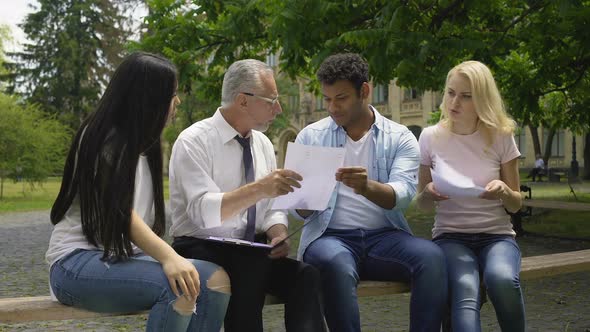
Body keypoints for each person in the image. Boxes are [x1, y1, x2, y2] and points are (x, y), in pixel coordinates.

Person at [46, 52, 230, 332]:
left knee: (215, 281)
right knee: (179, 289)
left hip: (122, 258)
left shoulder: (145, 144)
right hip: (75, 262)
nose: (177, 102)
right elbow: (121, 214)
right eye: (172, 94)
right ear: (148, 98)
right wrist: (169, 257)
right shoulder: (101, 138)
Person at [293, 53, 448, 332]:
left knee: (432, 257)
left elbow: (402, 197)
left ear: (364, 91)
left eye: (340, 98)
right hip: (329, 238)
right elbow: (300, 211)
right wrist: (308, 192)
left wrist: (366, 187)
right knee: (335, 263)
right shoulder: (311, 136)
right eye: (327, 99)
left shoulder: (399, 137)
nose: (332, 107)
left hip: (384, 237)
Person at [169, 59, 326, 332]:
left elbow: (272, 207)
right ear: (243, 101)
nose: (278, 108)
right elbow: (202, 212)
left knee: (304, 275)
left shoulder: (263, 143)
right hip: (200, 246)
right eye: (271, 100)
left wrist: (278, 232)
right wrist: (260, 188)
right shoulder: (193, 141)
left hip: (251, 248)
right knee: (249, 267)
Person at [416, 60, 526, 332]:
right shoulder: (430, 137)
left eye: (466, 96)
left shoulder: (501, 136)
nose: (454, 102)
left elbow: (516, 204)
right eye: (451, 92)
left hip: (497, 236)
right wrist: (429, 193)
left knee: (501, 279)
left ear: (482, 100)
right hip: (450, 236)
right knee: (465, 286)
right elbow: (421, 205)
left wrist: (503, 190)